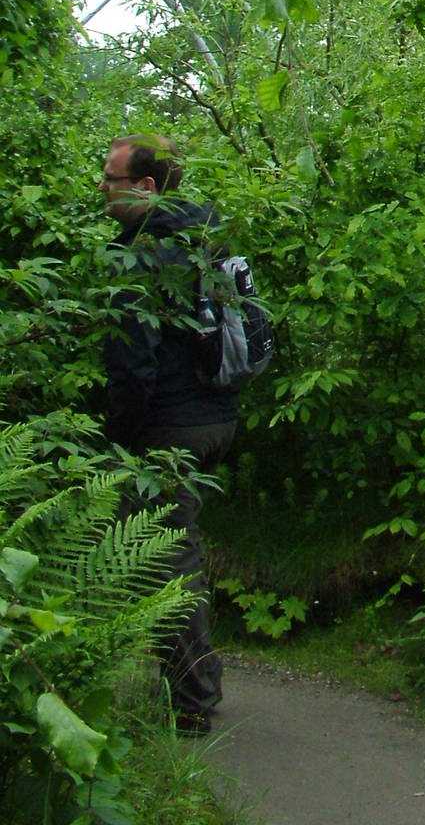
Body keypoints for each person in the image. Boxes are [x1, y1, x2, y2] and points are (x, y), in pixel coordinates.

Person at [100, 133, 238, 736]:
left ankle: (192, 701)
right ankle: (186, 684)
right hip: (219, 419)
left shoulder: (142, 255)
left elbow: (133, 367)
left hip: (172, 432)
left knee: (170, 563)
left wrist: (117, 442)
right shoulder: (207, 235)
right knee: (175, 550)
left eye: (112, 180)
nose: (102, 192)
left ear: (146, 187)